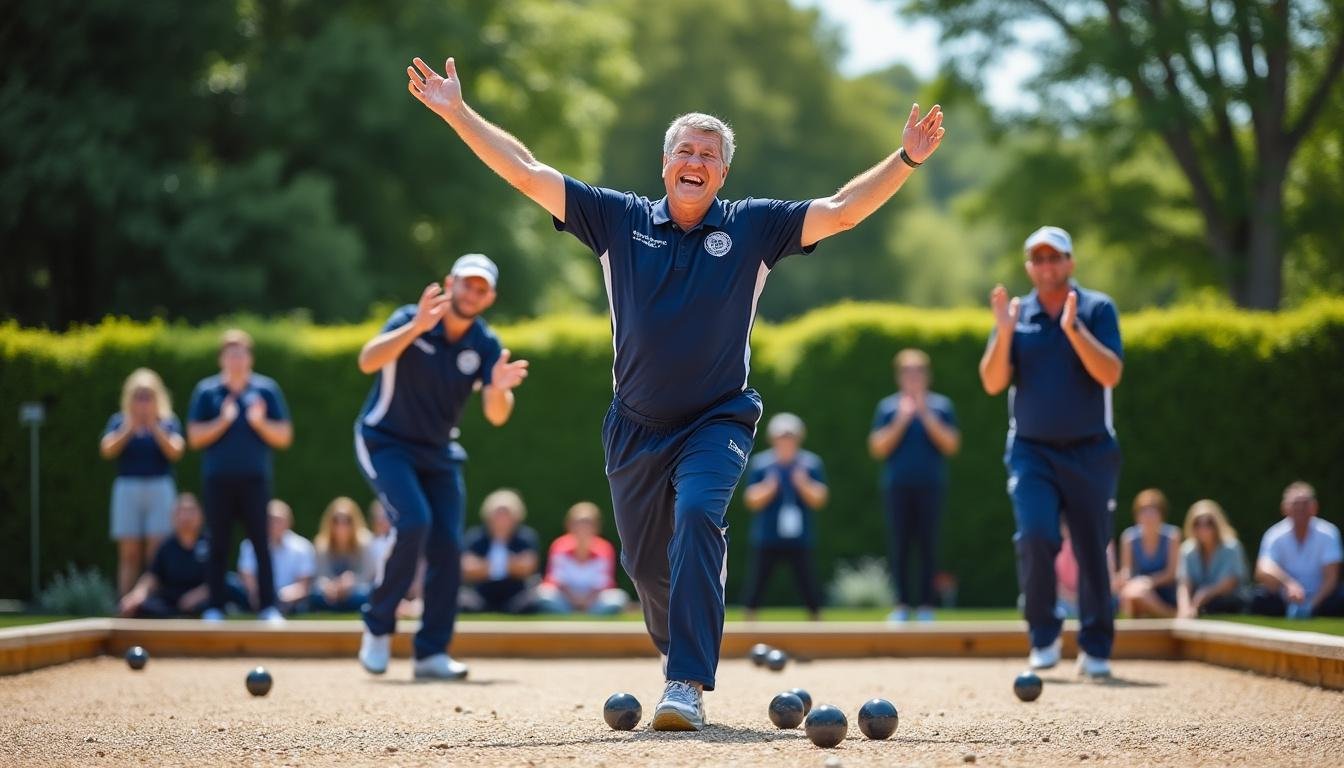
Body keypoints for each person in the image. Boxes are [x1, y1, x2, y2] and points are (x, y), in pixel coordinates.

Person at [405, 52, 943, 730]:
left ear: (723, 173)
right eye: (685, 150)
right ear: (666, 165)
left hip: (717, 419)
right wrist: (458, 112)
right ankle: (684, 624)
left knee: (697, 518)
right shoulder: (616, 220)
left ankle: (684, 681)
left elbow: (839, 211)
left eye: (710, 155)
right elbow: (527, 170)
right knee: (643, 566)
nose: (696, 160)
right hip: (634, 425)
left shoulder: (753, 227)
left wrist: (907, 159)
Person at [353, 255, 528, 680]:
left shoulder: (485, 344)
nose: (472, 293)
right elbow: (367, 361)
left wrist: (500, 389)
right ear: (450, 283)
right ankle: (377, 626)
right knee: (412, 523)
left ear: (490, 298)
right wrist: (413, 330)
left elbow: (496, 413)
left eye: (481, 288)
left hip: (439, 453)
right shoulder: (411, 317)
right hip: (384, 441)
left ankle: (430, 652)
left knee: (448, 543)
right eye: (466, 283)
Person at [979, 225, 1124, 679]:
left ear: (1070, 263)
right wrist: (1003, 332)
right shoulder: (1017, 316)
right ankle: (1043, 636)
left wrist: (1074, 328)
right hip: (1031, 452)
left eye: (1054, 258)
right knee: (1036, 535)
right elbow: (992, 381)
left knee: (1091, 548)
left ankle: (1096, 645)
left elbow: (1110, 373)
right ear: (1029, 267)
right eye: (1037, 259)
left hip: (1091, 451)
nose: (1046, 267)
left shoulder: (1097, 309)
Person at [187, 329, 293, 623]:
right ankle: (214, 607)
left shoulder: (266, 390)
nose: (236, 358)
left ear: (250, 358)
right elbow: (194, 438)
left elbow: (284, 436)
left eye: (241, 353)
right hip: (217, 481)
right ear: (222, 358)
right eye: (230, 353)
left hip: (255, 481)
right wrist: (223, 421)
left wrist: (259, 423)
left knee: (261, 542)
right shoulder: (207, 392)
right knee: (217, 543)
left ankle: (268, 607)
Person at [868, 349, 959, 623]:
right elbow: (877, 447)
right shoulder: (888, 408)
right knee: (900, 545)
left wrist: (924, 413)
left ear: (927, 375)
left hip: (931, 486)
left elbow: (951, 444)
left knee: (928, 544)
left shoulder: (941, 406)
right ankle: (902, 605)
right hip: (898, 487)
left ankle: (927, 607)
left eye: (918, 371)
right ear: (899, 377)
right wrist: (902, 418)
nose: (913, 377)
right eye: (908, 372)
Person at [101, 368, 185, 596]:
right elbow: (107, 450)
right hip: (128, 488)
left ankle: (153, 605)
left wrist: (154, 427)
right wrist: (129, 428)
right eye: (138, 395)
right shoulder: (120, 422)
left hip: (159, 488)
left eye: (148, 396)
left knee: (155, 553)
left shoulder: (167, 423)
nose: (143, 401)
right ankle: (125, 606)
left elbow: (176, 451)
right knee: (129, 553)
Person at [740, 413, 828, 622]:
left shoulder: (811, 464)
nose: (786, 441)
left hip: (800, 538)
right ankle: (747, 627)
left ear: (798, 438)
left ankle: (818, 629)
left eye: (790, 436)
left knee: (809, 586)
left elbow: (820, 499)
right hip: (766, 536)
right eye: (782, 436)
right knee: (756, 585)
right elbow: (750, 500)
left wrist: (803, 484)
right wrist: (769, 488)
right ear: (773, 438)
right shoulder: (761, 464)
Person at [1252, 481, 1344, 618]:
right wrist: (1289, 584)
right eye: (1296, 504)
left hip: (1322, 597)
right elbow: (1263, 569)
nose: (1300, 509)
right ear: (1285, 508)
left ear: (1314, 507)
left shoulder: (1328, 533)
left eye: (1305, 504)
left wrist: (1312, 604)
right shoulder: (1274, 534)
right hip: (1285, 598)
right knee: (1258, 598)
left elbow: (1331, 578)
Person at [117, 493, 212, 618]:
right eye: (181, 512)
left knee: (212, 609)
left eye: (190, 511)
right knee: (141, 608)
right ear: (173, 517)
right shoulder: (166, 546)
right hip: (170, 604)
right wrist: (137, 594)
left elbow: (219, 579)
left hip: (200, 602)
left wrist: (197, 596)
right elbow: (152, 576)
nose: (186, 517)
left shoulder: (210, 544)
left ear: (201, 516)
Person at [536, 502, 630, 616]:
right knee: (544, 594)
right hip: (565, 598)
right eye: (578, 524)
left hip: (593, 601)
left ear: (596, 527)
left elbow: (604, 583)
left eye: (587, 524)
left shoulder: (604, 548)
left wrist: (586, 601)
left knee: (618, 597)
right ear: (569, 525)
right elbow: (555, 580)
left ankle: (585, 616)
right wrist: (574, 600)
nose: (582, 528)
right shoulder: (559, 546)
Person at [460, 489, 541, 614]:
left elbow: (527, 568)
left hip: (515, 594)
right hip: (482, 595)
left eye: (506, 513)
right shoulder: (475, 537)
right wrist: (510, 564)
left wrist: (485, 565)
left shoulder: (526, 537)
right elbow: (467, 569)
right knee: (462, 600)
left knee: (533, 601)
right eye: (498, 513)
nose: (501, 518)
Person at [238, 499, 316, 614]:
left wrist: (281, 597)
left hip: (291, 600)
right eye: (270, 520)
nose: (273, 524)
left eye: (278, 520)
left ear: (289, 522)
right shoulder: (250, 544)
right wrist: (258, 595)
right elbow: (247, 576)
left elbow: (303, 585)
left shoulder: (302, 546)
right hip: (255, 597)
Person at [1176, 499, 1249, 618]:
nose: (1203, 528)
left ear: (1217, 524)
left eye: (1209, 523)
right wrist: (1184, 608)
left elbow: (1231, 582)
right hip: (1199, 602)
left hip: (1228, 601)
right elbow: (1184, 584)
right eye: (1197, 524)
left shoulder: (1231, 547)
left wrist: (1207, 593)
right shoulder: (1187, 550)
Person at [1116, 489, 1181, 618]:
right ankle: (1169, 615)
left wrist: (1149, 582)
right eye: (1144, 511)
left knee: (1135, 594)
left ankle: (1169, 615)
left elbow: (1171, 573)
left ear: (1161, 514)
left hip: (1164, 590)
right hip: (1137, 587)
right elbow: (1126, 570)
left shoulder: (1172, 536)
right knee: (1131, 595)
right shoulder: (1128, 537)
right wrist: (1124, 580)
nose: (1148, 515)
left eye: (1152, 511)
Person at [310, 497, 377, 612]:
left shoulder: (366, 542)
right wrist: (331, 586)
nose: (341, 525)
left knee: (366, 593)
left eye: (347, 520)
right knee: (315, 594)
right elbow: (320, 575)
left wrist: (351, 582)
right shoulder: (321, 545)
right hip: (331, 592)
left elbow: (368, 574)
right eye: (336, 520)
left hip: (355, 590)